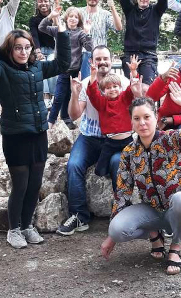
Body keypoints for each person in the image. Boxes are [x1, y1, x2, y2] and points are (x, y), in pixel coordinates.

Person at [100, 83, 181, 275]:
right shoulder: (129, 152)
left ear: (156, 118)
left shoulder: (170, 140)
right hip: (152, 210)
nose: (142, 123)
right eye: (137, 119)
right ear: (132, 122)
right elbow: (123, 193)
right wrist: (112, 237)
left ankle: (175, 248)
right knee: (117, 229)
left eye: (147, 117)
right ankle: (154, 234)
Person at [0, 20, 71, 248]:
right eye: (18, 48)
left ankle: (28, 226)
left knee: (34, 184)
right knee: (20, 185)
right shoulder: (2, 69)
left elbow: (63, 63)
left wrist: (61, 32)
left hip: (38, 133)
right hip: (16, 135)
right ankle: (14, 229)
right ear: (10, 49)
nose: (23, 52)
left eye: (27, 47)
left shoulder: (37, 68)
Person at [58, 45, 130, 235]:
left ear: (111, 59)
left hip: (116, 140)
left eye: (105, 58)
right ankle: (79, 215)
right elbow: (73, 115)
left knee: (117, 163)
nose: (102, 62)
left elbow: (137, 105)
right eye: (98, 59)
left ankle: (123, 212)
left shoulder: (122, 82)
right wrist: (74, 94)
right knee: (74, 164)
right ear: (92, 62)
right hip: (90, 137)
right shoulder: (87, 83)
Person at [84, 56, 143, 185]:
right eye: (108, 88)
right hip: (110, 142)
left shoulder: (125, 98)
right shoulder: (102, 103)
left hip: (128, 140)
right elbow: (93, 93)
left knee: (137, 163)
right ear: (103, 91)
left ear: (120, 88)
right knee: (100, 170)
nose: (112, 89)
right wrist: (93, 75)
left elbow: (133, 87)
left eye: (115, 86)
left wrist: (133, 71)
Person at [118, 0, 173, 84]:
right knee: (131, 89)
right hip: (130, 55)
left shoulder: (156, 10)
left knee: (147, 89)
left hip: (149, 56)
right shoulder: (130, 9)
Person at [39, 0, 92, 128]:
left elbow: (90, 47)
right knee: (59, 96)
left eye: (76, 17)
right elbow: (42, 27)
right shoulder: (59, 30)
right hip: (63, 69)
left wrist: (87, 32)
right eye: (71, 16)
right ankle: (51, 121)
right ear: (66, 18)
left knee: (70, 95)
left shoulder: (80, 33)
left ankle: (65, 117)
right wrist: (51, 15)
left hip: (75, 69)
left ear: (79, 20)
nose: (73, 19)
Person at [79, 0, 122, 78]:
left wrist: (112, 7)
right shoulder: (78, 13)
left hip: (100, 58)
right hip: (81, 57)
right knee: (85, 85)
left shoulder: (105, 14)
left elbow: (118, 27)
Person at [29, 0, 57, 101]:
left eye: (45, 1)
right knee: (40, 68)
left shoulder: (54, 17)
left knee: (51, 65)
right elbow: (34, 35)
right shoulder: (34, 20)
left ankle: (53, 95)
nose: (43, 3)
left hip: (53, 50)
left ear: (50, 3)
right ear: (37, 4)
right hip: (39, 50)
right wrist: (38, 51)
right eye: (40, 1)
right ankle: (45, 96)